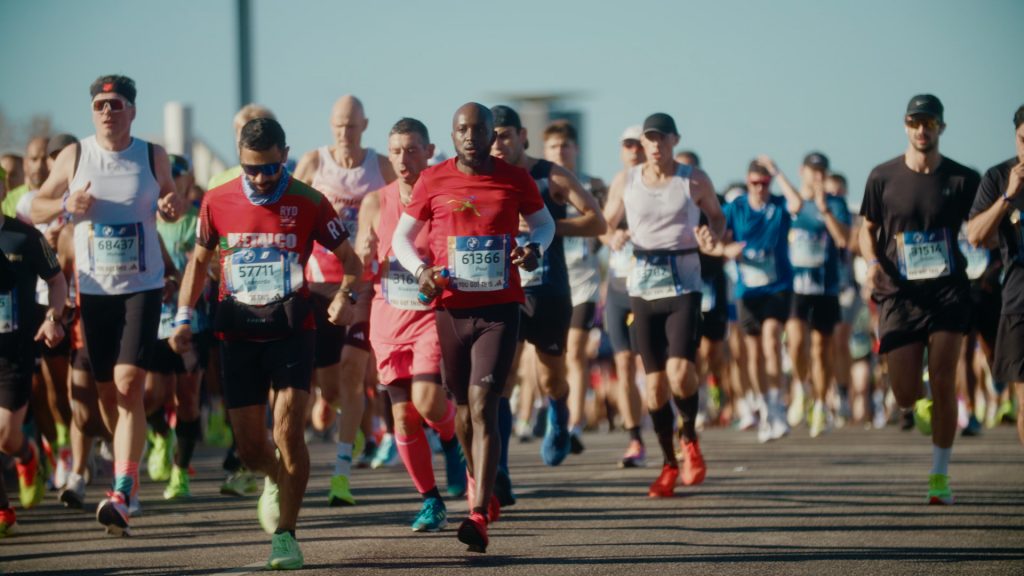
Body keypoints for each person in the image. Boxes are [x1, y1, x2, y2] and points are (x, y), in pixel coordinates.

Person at [170, 117, 361, 568]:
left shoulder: (309, 201)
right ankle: (275, 477)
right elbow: (198, 265)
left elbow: (351, 262)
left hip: (293, 332)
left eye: (271, 168)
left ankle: (286, 536)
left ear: (285, 155)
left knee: (289, 431)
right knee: (253, 448)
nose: (260, 178)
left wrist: (345, 297)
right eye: (251, 169)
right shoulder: (217, 200)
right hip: (238, 333)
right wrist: (181, 317)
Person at [392, 102, 555, 553]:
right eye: (461, 129)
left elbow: (544, 224)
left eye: (477, 129)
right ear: (454, 133)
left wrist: (535, 248)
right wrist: (421, 270)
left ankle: (479, 512)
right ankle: (474, 474)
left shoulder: (514, 178)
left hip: (501, 306)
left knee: (484, 404)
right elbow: (401, 239)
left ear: (490, 135)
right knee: (462, 410)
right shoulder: (433, 179)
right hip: (451, 309)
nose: (469, 136)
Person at [32, 75, 184, 534]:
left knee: (128, 382)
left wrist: (172, 204)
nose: (107, 111)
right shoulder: (75, 155)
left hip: (142, 284)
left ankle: (123, 487)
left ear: (132, 111)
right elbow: (34, 207)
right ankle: (123, 467)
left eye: (116, 104)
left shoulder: (151, 153)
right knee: (106, 394)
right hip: (95, 288)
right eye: (100, 104)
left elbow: (170, 195)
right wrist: (64, 203)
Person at [859, 94, 981, 504]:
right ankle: (921, 405)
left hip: (948, 290)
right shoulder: (883, 177)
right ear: (906, 126)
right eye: (915, 123)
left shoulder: (964, 179)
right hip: (899, 293)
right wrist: (871, 260)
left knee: (945, 377)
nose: (922, 130)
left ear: (941, 127)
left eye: (929, 123)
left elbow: (979, 229)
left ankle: (939, 474)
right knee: (905, 393)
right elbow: (867, 227)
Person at [604, 113, 724, 497]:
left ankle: (689, 437)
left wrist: (710, 234)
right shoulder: (627, 180)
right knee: (654, 388)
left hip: (684, 285)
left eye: (661, 139)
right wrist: (613, 235)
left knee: (680, 372)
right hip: (643, 288)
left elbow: (718, 218)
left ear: (674, 140)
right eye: (648, 139)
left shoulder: (693, 178)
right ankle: (669, 464)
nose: (655, 146)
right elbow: (604, 222)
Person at [356, 117, 466, 531]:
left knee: (427, 400)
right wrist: (362, 250)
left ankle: (454, 442)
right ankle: (430, 500)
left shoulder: (444, 199)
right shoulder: (375, 202)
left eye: (412, 150)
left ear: (430, 151)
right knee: (402, 418)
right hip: (387, 320)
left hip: (429, 317)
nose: (404, 159)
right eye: (397, 151)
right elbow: (362, 261)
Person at [489, 105, 604, 490]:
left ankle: (558, 412)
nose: (498, 144)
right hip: (504, 290)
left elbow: (598, 221)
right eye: (492, 136)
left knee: (551, 376)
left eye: (505, 135)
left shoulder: (550, 174)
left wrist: (551, 226)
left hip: (550, 290)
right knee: (503, 376)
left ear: (522, 135)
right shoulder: (485, 178)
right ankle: (499, 469)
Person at [293, 95, 395, 505]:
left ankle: (340, 474)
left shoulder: (379, 166)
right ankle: (327, 402)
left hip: (361, 284)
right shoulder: (314, 163)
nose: (344, 133)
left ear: (364, 125)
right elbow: (291, 208)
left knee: (354, 374)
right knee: (331, 388)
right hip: (317, 283)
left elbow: (401, 208)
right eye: (338, 125)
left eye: (351, 125)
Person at [696, 157, 802, 444]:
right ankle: (765, 407)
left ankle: (777, 406)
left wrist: (779, 172)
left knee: (771, 341)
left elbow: (798, 204)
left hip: (777, 286)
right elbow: (714, 241)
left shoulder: (778, 206)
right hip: (748, 291)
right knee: (752, 354)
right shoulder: (736, 208)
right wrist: (725, 250)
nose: (759, 189)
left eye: (764, 183)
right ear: (747, 182)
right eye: (754, 183)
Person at [0, 178, 67, 536]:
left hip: (15, 350)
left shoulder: (25, 237)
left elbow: (57, 282)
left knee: (6, 437)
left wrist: (53, 317)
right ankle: (3, 512)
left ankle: (28, 457)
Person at [542, 119, 608, 454]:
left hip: (583, 280)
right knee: (556, 355)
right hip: (550, 277)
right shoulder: (539, 183)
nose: (560, 151)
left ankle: (574, 424)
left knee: (578, 353)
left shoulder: (591, 186)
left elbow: (606, 223)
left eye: (565, 146)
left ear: (575, 150)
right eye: (553, 147)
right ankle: (557, 411)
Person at [145, 154, 207, 500]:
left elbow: (208, 268)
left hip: (192, 319)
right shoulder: (145, 221)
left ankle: (180, 473)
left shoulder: (199, 222)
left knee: (187, 397)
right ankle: (159, 436)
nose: (173, 181)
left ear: (187, 179)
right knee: (152, 395)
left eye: (179, 174)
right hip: (153, 320)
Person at [966, 103, 1024, 447]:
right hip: (1018, 301)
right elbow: (975, 235)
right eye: (1022, 139)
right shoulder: (999, 177)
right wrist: (1007, 198)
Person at [784, 153, 851, 437]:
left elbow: (844, 239)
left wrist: (825, 211)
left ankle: (822, 405)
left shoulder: (835, 203)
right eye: (813, 171)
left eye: (822, 171)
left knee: (822, 350)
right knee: (797, 342)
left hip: (825, 287)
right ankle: (801, 387)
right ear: (802, 172)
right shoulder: (791, 205)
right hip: (796, 287)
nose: (817, 176)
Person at [601, 126, 647, 467]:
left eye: (639, 144)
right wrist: (612, 237)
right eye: (628, 145)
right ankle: (635, 440)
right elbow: (602, 224)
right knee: (624, 365)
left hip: (652, 286)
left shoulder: (668, 183)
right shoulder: (620, 181)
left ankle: (674, 430)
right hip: (619, 284)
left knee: (657, 368)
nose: (634, 150)